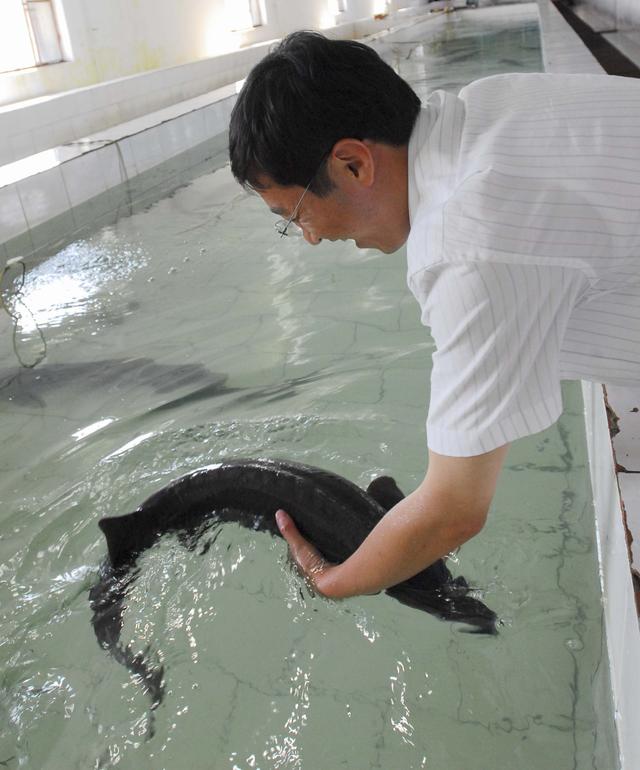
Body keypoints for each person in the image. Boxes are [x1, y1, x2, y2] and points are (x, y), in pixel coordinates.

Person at [228, 31, 640, 601]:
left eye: (295, 213)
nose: (311, 238)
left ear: (352, 164)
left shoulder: (468, 246)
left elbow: (453, 512)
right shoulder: (483, 106)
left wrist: (332, 581)